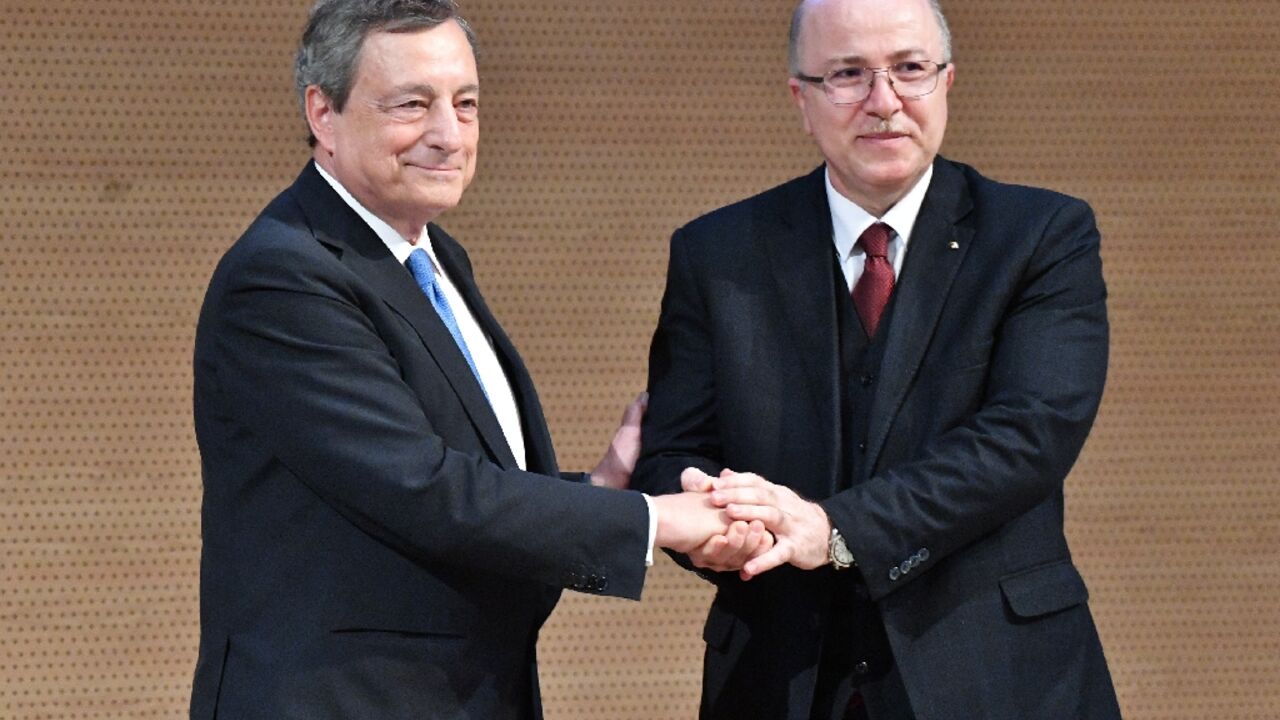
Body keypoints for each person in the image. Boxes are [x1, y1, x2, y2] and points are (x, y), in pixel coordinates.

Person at [189, 1, 736, 718]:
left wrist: (597, 490)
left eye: (466, 103)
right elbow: (423, 489)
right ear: (324, 114)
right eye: (412, 105)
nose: (448, 135)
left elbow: (460, 481)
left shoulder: (435, 254)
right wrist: (652, 520)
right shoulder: (283, 277)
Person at [633, 0, 1122, 718]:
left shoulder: (1042, 237)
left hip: (1000, 675)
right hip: (780, 680)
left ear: (948, 82)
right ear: (801, 99)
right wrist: (719, 528)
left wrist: (832, 531)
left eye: (910, 69)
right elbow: (672, 452)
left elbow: (1027, 438)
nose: (884, 101)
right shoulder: (717, 253)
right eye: (848, 74)